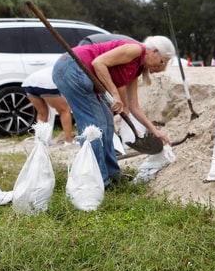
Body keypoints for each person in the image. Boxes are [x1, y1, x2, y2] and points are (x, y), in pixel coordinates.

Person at [52, 36, 175, 188]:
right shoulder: (136, 49)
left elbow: (133, 106)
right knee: (95, 127)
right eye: (163, 61)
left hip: (79, 72)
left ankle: (113, 174)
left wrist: (155, 131)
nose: (162, 68)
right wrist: (115, 94)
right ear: (155, 52)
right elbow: (99, 63)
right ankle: (98, 181)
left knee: (108, 124)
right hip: (73, 67)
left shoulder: (136, 68)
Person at [21, 66, 75, 144]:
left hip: (28, 83)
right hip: (47, 83)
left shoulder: (60, 63)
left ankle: (40, 141)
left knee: (42, 113)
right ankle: (68, 140)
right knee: (64, 110)